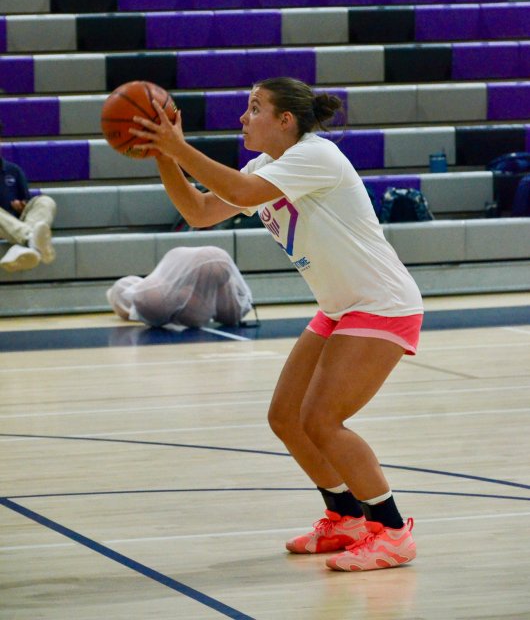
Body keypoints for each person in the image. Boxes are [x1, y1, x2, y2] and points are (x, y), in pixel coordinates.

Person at [131, 76, 424, 573]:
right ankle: (346, 517)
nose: (243, 118)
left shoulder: (317, 156)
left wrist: (179, 146)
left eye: (254, 108)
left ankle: (392, 531)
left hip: (381, 303)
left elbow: (240, 190)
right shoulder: (266, 167)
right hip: (340, 307)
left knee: (322, 421)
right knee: (287, 417)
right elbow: (201, 211)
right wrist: (165, 156)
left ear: (285, 120)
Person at [107, 245, 253, 329]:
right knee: (145, 296)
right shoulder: (161, 292)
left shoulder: (211, 284)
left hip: (160, 293)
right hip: (140, 293)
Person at [0, 120, 56, 272]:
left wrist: (22, 206)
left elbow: (27, 204)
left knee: (45, 201)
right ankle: (31, 238)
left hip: (14, 226)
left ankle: (26, 244)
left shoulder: (13, 170)